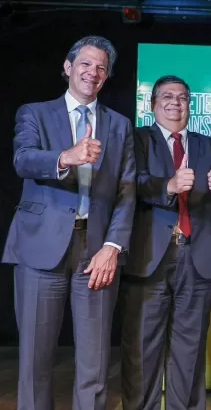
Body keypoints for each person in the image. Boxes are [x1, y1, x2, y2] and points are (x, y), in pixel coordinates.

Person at [2, 35, 135, 410]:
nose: (92, 72)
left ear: (107, 77)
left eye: (101, 68)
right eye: (86, 64)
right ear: (68, 67)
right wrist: (66, 157)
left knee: (94, 366)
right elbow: (23, 160)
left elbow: (126, 190)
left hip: (96, 252)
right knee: (34, 361)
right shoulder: (35, 113)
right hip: (40, 247)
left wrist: (112, 247)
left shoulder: (120, 125)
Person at [119, 75, 211, 410]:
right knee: (142, 347)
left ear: (190, 105)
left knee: (191, 347)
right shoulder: (136, 139)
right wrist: (168, 186)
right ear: (153, 103)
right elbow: (128, 182)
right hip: (149, 256)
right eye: (167, 97)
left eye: (183, 98)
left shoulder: (208, 144)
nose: (175, 103)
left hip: (198, 255)